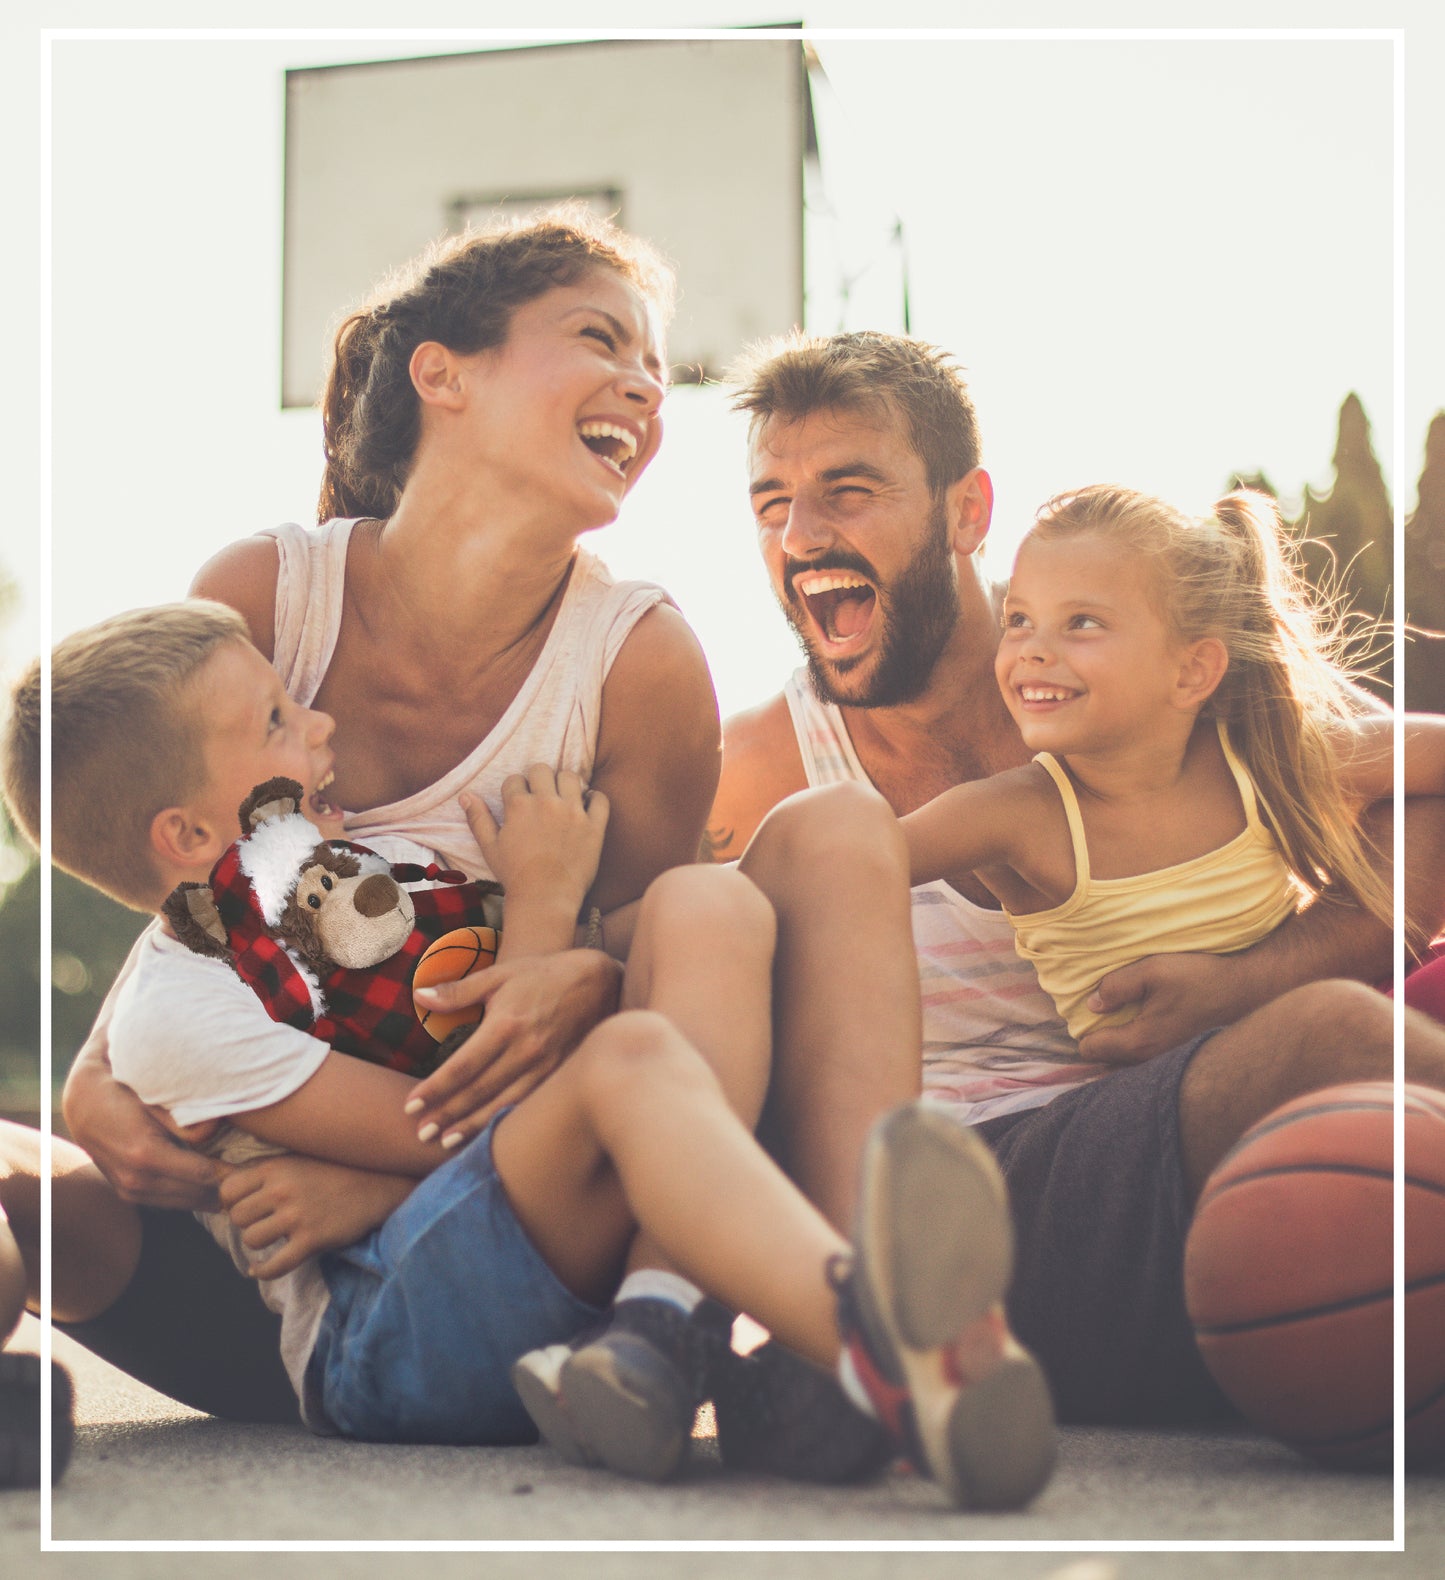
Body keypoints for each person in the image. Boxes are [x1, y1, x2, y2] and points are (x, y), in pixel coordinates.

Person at [51, 216, 931, 1435]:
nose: (645, 383)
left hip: (551, 1144)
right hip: (344, 1220)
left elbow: (656, 970)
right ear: (442, 373)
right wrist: (98, 1070)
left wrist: (569, 945)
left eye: (652, 360)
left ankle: (794, 1330)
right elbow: (196, 876)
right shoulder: (268, 598)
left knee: (822, 835)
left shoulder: (637, 657)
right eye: (598, 338)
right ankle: (823, 1337)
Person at [1, 600, 1056, 1509]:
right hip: (388, 1331)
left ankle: (670, 1327)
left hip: (504, 1244)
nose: (318, 723)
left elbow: (545, 1019)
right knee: (631, 1060)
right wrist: (545, 907)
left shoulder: (371, 875)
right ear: (188, 837)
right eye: (277, 719)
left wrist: (633, 931)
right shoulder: (180, 1007)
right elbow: (450, 1122)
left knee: (707, 905)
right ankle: (883, 1341)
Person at [709, 330, 1445, 1425]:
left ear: (966, 511)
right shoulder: (757, 765)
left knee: (1347, 1064)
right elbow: (671, 943)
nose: (800, 534)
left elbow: (1410, 780)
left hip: (1194, 1137)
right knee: (1334, 1039)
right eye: (770, 503)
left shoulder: (1135, 674)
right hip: (974, 1194)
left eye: (846, 492)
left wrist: (1250, 978)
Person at [900, 482, 1445, 1040]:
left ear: (1191, 672)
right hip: (1171, 1079)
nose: (1032, 649)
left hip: (1314, 1030)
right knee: (1353, 1023)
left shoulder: (1257, 762)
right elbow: (861, 859)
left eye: (1082, 622)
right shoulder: (1007, 813)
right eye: (1018, 619)